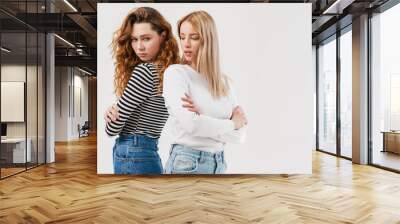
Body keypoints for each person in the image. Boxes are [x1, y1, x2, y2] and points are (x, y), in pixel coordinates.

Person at [163, 11, 247, 174]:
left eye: (194, 37)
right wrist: (232, 124)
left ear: (208, 40)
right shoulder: (176, 74)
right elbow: (192, 125)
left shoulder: (225, 82)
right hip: (186, 163)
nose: (185, 44)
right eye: (182, 37)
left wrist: (204, 120)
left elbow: (240, 136)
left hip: (220, 164)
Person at [104, 7, 179, 174]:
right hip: (146, 150)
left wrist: (112, 114)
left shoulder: (145, 71)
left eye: (146, 39)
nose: (139, 47)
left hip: (133, 151)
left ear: (163, 36)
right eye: (134, 39)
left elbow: (112, 129)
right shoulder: (172, 72)